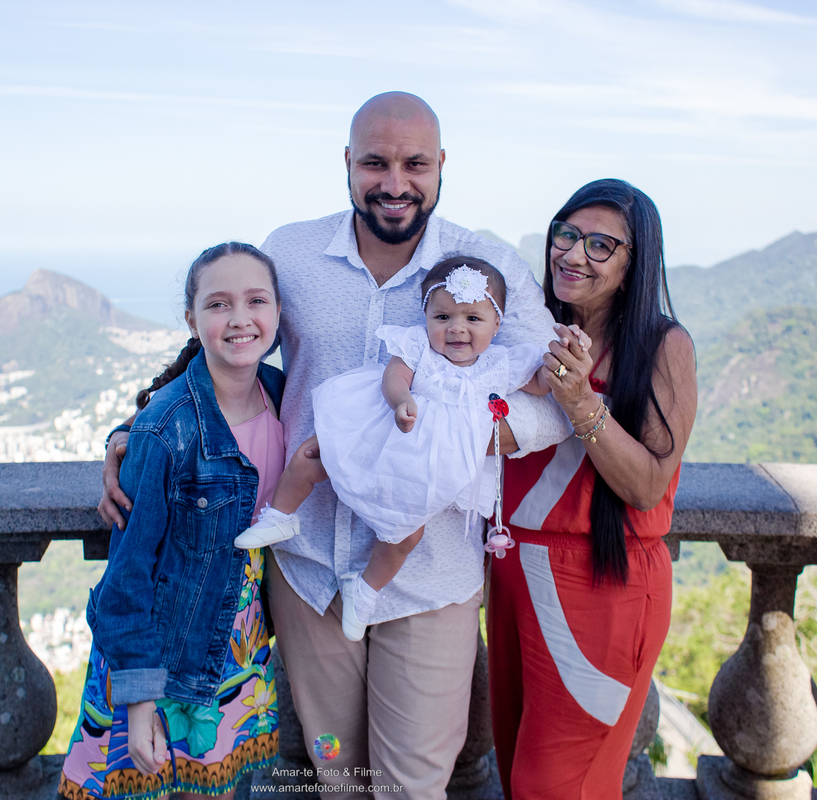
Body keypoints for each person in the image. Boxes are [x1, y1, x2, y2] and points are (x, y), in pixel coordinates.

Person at [99, 92, 569, 798]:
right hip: (309, 567)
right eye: (375, 163)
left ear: (442, 164)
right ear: (348, 162)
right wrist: (135, 429)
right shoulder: (292, 252)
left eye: (415, 164)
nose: (394, 183)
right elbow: (232, 348)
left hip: (430, 571)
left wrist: (455, 432)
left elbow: (554, 404)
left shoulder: (488, 266)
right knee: (338, 778)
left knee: (411, 788)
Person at [59, 243, 321, 800]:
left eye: (256, 301)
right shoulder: (165, 429)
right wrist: (139, 701)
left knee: (217, 786)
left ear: (278, 312)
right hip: (163, 645)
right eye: (219, 304)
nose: (240, 318)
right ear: (192, 319)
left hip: (237, 639)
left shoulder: (283, 394)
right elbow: (126, 576)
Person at [486, 179, 697, 800]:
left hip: (599, 586)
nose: (574, 254)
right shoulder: (529, 327)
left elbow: (649, 486)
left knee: (552, 786)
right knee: (514, 771)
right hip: (513, 573)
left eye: (601, 245)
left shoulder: (662, 346)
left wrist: (580, 401)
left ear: (635, 264)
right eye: (567, 235)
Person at [234, 257, 557, 642]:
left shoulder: (498, 365)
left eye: (473, 318)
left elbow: (541, 383)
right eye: (442, 317)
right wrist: (402, 400)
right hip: (384, 430)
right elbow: (395, 375)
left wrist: (561, 364)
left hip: (425, 468)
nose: (456, 328)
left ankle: (365, 590)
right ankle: (280, 515)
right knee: (312, 454)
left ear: (496, 324)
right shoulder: (419, 347)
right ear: (427, 317)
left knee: (405, 535)